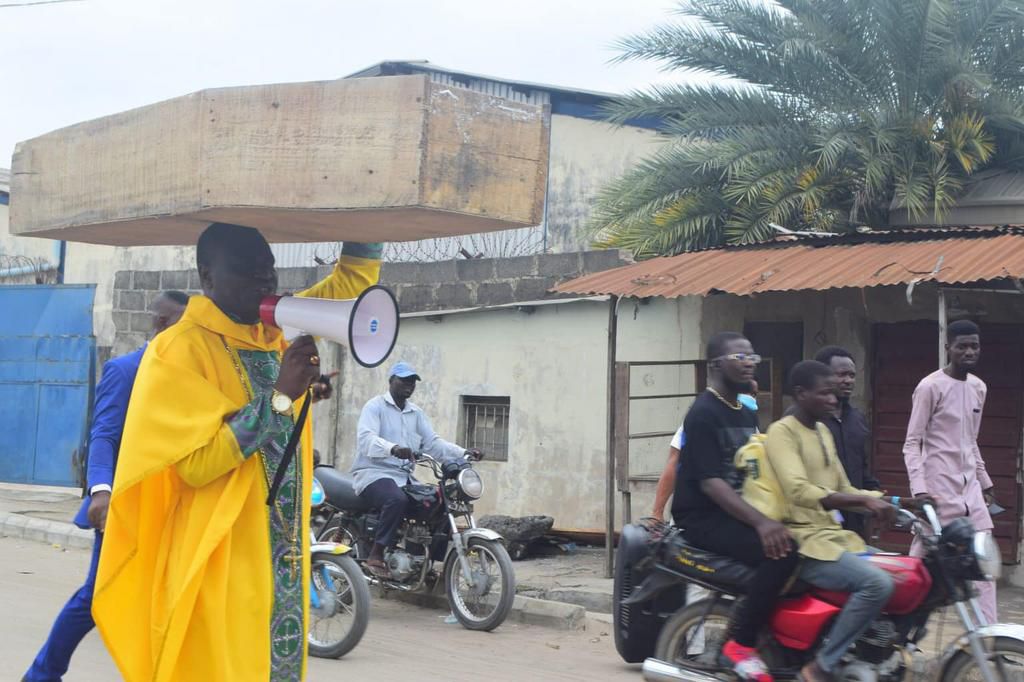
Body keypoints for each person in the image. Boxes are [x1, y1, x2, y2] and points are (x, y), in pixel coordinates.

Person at [92, 223, 382, 682]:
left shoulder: (273, 331)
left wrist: (370, 223)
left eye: (268, 271)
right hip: (218, 554)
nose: (263, 282)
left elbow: (348, 287)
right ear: (207, 277)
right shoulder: (179, 350)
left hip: (281, 551)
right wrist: (280, 398)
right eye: (247, 271)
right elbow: (195, 466)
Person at [23, 292, 188, 682]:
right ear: (161, 322)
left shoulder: (191, 378)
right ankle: (42, 674)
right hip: (125, 505)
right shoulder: (125, 370)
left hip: (172, 506)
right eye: (183, 323)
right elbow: (104, 436)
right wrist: (101, 489)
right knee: (97, 596)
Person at [765, 361, 925, 682]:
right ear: (800, 393)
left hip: (834, 537)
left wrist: (896, 501)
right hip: (804, 542)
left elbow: (845, 488)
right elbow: (798, 489)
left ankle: (876, 651)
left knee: (905, 572)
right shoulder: (782, 432)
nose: (833, 399)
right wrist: (863, 501)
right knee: (877, 583)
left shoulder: (823, 430)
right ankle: (821, 665)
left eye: (833, 393)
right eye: (825, 393)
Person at [673, 332, 797, 682]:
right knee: (784, 553)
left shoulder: (743, 410)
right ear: (714, 365)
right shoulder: (702, 412)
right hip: (703, 517)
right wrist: (762, 523)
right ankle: (740, 643)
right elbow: (711, 482)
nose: (748, 363)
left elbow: (754, 462)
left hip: (736, 508)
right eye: (739, 357)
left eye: (752, 357)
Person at [903, 319, 999, 623]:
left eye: (974, 346)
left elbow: (971, 440)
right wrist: (919, 490)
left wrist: (984, 481)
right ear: (949, 348)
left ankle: (990, 636)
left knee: (983, 561)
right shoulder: (930, 386)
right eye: (962, 346)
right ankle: (899, 621)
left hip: (971, 491)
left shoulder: (978, 388)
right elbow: (912, 442)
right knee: (922, 558)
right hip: (937, 490)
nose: (969, 351)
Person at [353, 361, 481, 575]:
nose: (409, 385)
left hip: (404, 478)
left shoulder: (416, 413)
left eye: (412, 381)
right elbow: (366, 439)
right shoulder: (374, 407)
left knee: (439, 502)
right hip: (373, 474)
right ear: (391, 381)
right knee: (396, 500)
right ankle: (376, 553)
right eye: (404, 380)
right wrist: (392, 448)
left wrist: (464, 453)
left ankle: (425, 564)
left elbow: (433, 444)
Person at [652, 381, 758, 520]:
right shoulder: (702, 417)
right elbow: (674, 464)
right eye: (743, 392)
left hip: (738, 512)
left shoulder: (751, 425)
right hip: (700, 514)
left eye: (753, 394)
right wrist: (657, 513)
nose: (749, 398)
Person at [812, 347, 880, 537]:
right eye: (841, 375)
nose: (848, 381)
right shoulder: (808, 419)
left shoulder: (857, 419)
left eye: (852, 375)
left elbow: (863, 467)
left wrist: (876, 496)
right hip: (819, 520)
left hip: (856, 518)